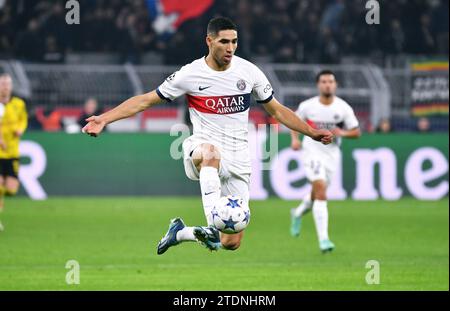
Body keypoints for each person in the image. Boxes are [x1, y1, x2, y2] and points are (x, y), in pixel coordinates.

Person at [82, 17, 334, 254]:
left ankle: (181, 233)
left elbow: (277, 110)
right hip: (202, 149)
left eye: (234, 41)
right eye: (224, 41)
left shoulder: (249, 72)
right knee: (212, 153)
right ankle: (211, 224)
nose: (231, 47)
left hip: (238, 158)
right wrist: (104, 118)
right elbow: (145, 100)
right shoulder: (190, 74)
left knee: (231, 242)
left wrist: (310, 132)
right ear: (209, 41)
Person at [290, 70, 360, 253]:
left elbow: (356, 132)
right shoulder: (308, 106)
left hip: (332, 155)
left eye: (330, 81)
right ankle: (324, 240)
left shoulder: (343, 108)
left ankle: (297, 213)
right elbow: (293, 121)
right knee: (321, 190)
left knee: (317, 193)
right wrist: (295, 140)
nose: (327, 84)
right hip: (312, 152)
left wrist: (342, 133)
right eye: (324, 81)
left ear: (335, 85)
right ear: (318, 85)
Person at [0, 73, 28, 231]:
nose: (5, 86)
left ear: (11, 87)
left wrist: (20, 129)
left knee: (11, 189)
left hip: (12, 152)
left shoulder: (18, 104)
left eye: (7, 84)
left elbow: (23, 119)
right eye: (2, 83)